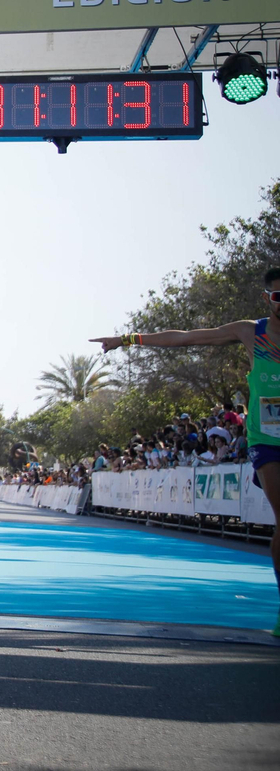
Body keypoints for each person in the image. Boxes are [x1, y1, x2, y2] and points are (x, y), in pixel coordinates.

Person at [93, 271, 280, 637]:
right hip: (268, 438)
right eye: (278, 297)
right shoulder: (250, 332)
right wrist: (128, 339)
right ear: (266, 300)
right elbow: (187, 337)